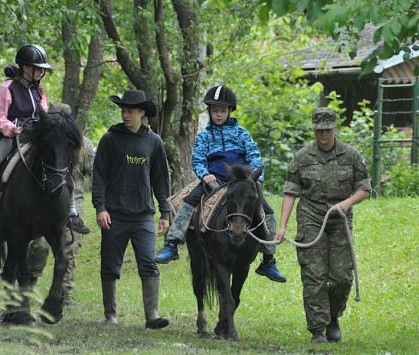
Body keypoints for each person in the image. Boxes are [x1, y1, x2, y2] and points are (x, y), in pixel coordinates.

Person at [154, 84, 287, 283]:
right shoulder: (205, 135)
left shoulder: (241, 133)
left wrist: (256, 180)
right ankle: (172, 243)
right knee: (189, 201)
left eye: (222, 111)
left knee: (267, 211)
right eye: (215, 111)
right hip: (213, 180)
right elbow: (197, 158)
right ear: (209, 111)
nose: (218, 115)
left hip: (240, 182)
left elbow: (254, 156)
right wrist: (204, 174)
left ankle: (268, 259)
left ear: (229, 111)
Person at [0, 45, 90, 237]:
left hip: (36, 136)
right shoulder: (6, 88)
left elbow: (44, 116)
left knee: (59, 162)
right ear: (25, 67)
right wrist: (10, 128)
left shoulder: (39, 90)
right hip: (13, 135)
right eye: (38, 68)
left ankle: (72, 213)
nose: (41, 72)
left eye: (42, 69)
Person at [274, 106, 371, 344]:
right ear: (313, 129)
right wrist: (282, 226)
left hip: (339, 219)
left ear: (335, 127)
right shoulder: (302, 158)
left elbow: (365, 188)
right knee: (314, 274)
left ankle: (333, 318)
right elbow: (290, 192)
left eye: (327, 129)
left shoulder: (351, 156)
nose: (323, 134)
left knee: (341, 277)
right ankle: (318, 329)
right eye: (319, 130)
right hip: (311, 216)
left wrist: (347, 203)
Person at [92, 89, 171, 329]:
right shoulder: (109, 139)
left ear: (142, 113)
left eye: (130, 111)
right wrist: (100, 207)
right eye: (123, 110)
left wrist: (165, 213)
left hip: (143, 215)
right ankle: (110, 315)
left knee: (149, 262)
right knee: (110, 264)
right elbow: (99, 177)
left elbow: (161, 180)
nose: (125, 115)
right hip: (114, 215)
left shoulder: (154, 142)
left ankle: (152, 315)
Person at [27, 102, 95, 305]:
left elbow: (94, 170)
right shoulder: (44, 140)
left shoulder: (83, 143)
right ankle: (30, 282)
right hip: (45, 198)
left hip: (74, 200)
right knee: (39, 244)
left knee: (70, 245)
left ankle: (64, 291)